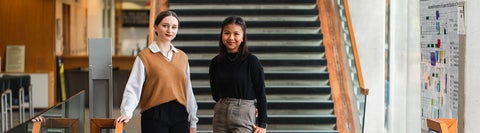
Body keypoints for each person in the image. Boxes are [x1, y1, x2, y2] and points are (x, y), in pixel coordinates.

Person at [115, 10, 198, 133]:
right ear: (155, 27)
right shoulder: (144, 57)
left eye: (174, 27)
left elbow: (188, 90)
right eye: (165, 26)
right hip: (154, 115)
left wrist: (193, 122)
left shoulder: (182, 57)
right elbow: (133, 88)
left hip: (180, 115)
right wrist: (126, 112)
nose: (169, 30)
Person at [209, 16, 267, 133]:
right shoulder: (215, 62)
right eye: (227, 33)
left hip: (243, 114)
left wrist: (262, 124)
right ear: (221, 35)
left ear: (243, 37)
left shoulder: (252, 61)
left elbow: (261, 93)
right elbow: (215, 95)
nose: (231, 38)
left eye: (236, 34)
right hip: (220, 114)